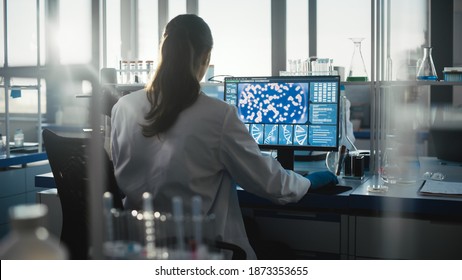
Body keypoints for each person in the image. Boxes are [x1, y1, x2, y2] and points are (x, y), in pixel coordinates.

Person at [110, 14, 338, 259]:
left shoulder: (123, 107)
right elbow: (272, 185)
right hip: (201, 253)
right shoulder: (217, 115)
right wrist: (310, 182)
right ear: (206, 58)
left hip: (139, 251)